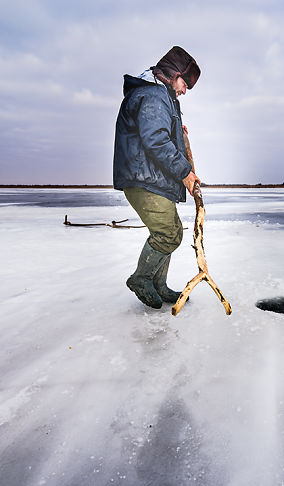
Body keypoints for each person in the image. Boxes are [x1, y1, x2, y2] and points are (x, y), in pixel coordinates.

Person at [113, 46, 201, 309]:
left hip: (153, 179)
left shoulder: (161, 96)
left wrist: (178, 130)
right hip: (144, 180)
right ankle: (142, 280)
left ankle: (158, 284)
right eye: (185, 83)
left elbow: (159, 133)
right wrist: (185, 173)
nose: (185, 91)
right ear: (173, 74)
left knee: (171, 231)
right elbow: (155, 141)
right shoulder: (153, 95)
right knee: (167, 234)